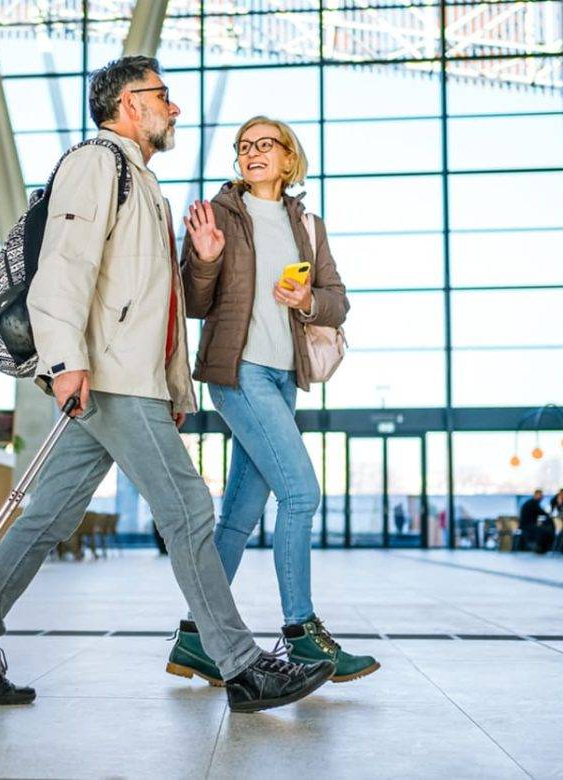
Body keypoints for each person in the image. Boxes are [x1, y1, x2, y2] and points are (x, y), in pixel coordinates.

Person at [0, 57, 333, 714]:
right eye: (163, 96)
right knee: (191, 513)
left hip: (124, 377)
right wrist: (64, 362)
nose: (174, 109)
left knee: (51, 515)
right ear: (127, 104)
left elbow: (153, 302)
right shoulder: (98, 164)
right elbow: (65, 268)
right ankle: (241, 666)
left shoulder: (141, 181)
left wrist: (173, 382)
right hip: (110, 376)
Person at [167, 115, 378, 686]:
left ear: (289, 158)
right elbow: (192, 299)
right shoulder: (218, 214)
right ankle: (302, 635)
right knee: (302, 494)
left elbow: (338, 301)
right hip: (238, 373)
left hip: (284, 378)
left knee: (238, 517)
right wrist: (205, 257)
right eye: (244, 146)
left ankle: (194, 640)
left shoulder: (307, 223)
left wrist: (309, 299)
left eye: (266, 144)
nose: (253, 152)